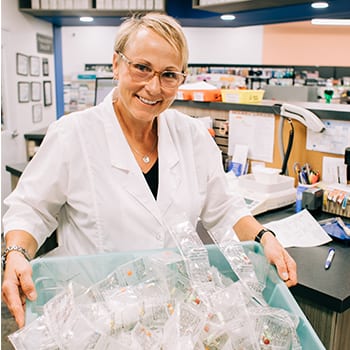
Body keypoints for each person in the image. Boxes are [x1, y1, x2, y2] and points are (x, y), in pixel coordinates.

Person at [2, 13, 297, 329]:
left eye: (169, 74)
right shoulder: (73, 134)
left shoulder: (193, 137)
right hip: (99, 318)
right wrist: (16, 253)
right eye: (141, 68)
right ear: (117, 64)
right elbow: (32, 209)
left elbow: (225, 208)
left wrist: (265, 237)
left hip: (177, 317)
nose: (153, 87)